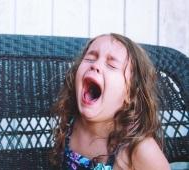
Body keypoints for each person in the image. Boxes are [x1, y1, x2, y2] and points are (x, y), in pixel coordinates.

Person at [51, 33, 170, 169]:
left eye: (112, 65)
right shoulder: (71, 123)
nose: (95, 65)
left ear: (130, 94)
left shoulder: (139, 149)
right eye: (90, 58)